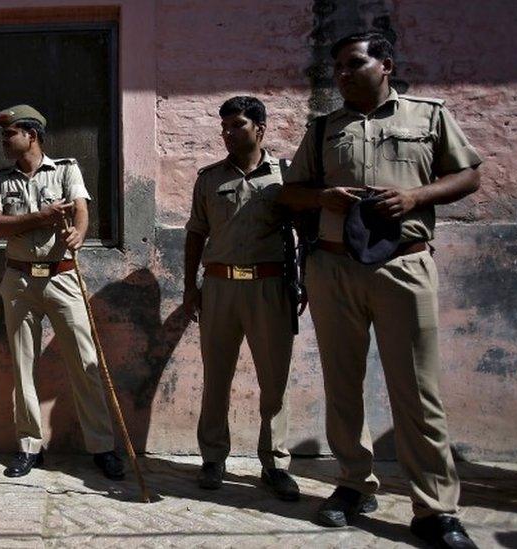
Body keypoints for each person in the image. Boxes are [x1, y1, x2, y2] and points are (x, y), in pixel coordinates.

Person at [280, 32, 481, 548]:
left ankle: (435, 509)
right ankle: (352, 485)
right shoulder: (324, 127)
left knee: (417, 392)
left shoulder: (428, 115)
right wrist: (324, 196)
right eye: (338, 69)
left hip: (403, 268)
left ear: (385, 64)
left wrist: (415, 197)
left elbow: (468, 175)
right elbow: (292, 192)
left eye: (353, 64)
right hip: (334, 269)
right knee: (342, 385)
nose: (343, 75)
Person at [0, 104, 124, 480]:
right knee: (22, 365)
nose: (4, 140)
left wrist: (78, 232)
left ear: (31, 134)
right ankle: (30, 446)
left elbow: (81, 209)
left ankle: (102, 446)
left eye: (9, 133)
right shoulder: (1, 180)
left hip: (62, 276)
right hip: (19, 280)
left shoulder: (65, 169)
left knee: (85, 361)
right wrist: (38, 219)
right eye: (3, 134)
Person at [183, 96, 299, 501]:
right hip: (219, 287)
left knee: (274, 380)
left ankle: (275, 463)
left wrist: (304, 285)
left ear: (260, 129)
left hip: (270, 287)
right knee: (217, 378)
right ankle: (213, 458)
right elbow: (196, 233)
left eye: (237, 126)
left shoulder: (285, 177)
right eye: (225, 127)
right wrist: (189, 289)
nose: (228, 134)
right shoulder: (209, 179)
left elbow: (306, 232)